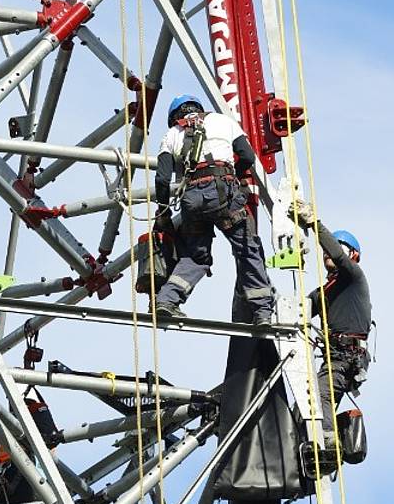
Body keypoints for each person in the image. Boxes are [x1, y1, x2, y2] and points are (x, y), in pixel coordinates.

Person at [152, 94, 275, 324]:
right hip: (224, 195)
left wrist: (163, 213)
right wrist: (233, 176)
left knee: (196, 257)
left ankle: (167, 300)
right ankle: (262, 313)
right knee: (247, 250)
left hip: (192, 200)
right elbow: (248, 156)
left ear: (174, 116)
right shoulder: (223, 121)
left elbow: (161, 180)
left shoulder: (171, 134)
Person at [289, 202, 372, 440]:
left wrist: (314, 223)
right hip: (334, 359)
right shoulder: (325, 291)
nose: (328, 253)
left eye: (339, 247)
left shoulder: (354, 277)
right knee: (307, 403)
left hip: (346, 359)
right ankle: (310, 440)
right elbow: (300, 309)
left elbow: (336, 252)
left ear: (352, 255)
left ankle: (325, 441)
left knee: (319, 394)